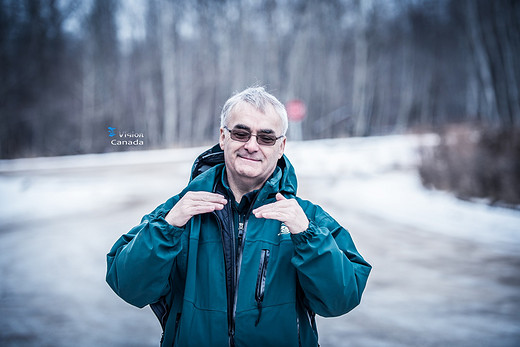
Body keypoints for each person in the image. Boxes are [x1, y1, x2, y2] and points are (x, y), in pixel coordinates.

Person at [106, 86, 371, 347]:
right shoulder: (179, 212)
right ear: (223, 137)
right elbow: (129, 286)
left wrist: (308, 238)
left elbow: (340, 300)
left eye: (266, 138)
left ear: (281, 147)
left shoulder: (307, 220)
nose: (252, 146)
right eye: (241, 133)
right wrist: (167, 228)